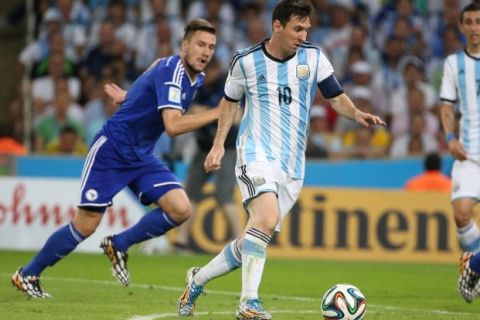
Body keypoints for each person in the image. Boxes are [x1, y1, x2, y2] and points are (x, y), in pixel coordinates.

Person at [176, 1, 385, 319]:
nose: (304, 35)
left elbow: (335, 96)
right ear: (277, 26)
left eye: (307, 29)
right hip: (255, 153)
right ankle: (248, 303)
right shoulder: (245, 62)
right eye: (297, 29)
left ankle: (197, 280)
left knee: (254, 235)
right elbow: (229, 104)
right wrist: (218, 145)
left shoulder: (314, 58)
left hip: (292, 165)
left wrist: (356, 113)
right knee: (266, 217)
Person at [11, 18, 219, 298]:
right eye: (200, 44)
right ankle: (27, 274)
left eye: (211, 47)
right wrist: (219, 112)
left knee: (181, 208)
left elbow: (153, 71)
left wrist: (129, 96)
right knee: (86, 224)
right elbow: (172, 125)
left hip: (141, 155)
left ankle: (119, 244)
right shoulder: (174, 70)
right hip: (112, 150)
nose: (205, 52)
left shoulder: (194, 76)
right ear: (184, 46)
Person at [172, 57, 243, 253]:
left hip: (226, 148)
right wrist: (209, 112)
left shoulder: (228, 86)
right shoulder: (197, 85)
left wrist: (206, 112)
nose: (205, 74)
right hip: (202, 147)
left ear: (217, 69)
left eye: (208, 70)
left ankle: (241, 242)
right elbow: (183, 114)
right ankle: (181, 241)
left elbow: (237, 116)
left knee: (224, 194)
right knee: (190, 194)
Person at [439, 2, 480, 303]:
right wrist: (450, 137)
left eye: (479, 22)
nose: (475, 27)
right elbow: (445, 106)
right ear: (462, 26)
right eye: (469, 22)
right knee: (461, 213)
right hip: (469, 153)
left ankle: (474, 265)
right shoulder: (454, 64)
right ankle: (474, 263)